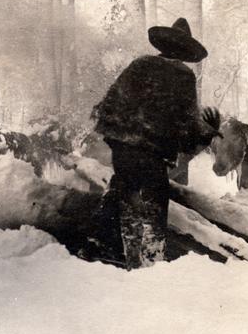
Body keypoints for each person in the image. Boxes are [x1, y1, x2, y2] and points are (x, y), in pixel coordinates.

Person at [88, 18, 222, 269]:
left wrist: (118, 142)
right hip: (152, 156)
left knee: (128, 200)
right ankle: (151, 269)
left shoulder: (139, 65)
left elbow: (108, 107)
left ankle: (126, 260)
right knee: (154, 210)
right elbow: (187, 129)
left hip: (123, 152)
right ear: (184, 52)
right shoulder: (183, 76)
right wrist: (209, 132)